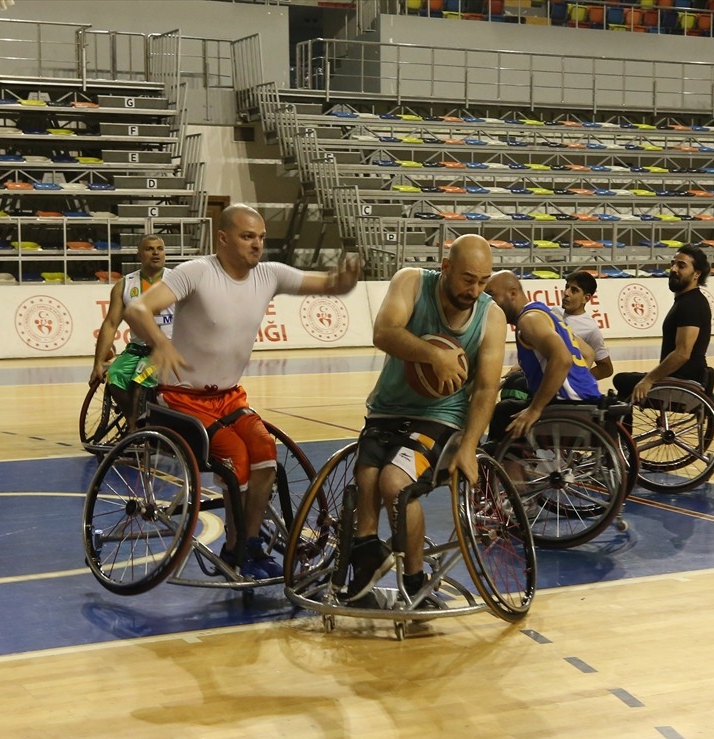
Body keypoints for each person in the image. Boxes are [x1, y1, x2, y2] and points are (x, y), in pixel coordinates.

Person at [122, 203, 361, 580]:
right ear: (223, 239)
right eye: (248, 236)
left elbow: (325, 283)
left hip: (230, 398)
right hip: (182, 400)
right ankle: (235, 545)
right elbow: (137, 309)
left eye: (261, 237)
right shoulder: (197, 272)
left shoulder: (269, 275)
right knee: (235, 456)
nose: (257, 244)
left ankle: (249, 541)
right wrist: (159, 343)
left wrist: (342, 283)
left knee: (266, 453)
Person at [342, 233, 507, 604]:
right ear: (446, 267)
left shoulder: (491, 316)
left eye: (483, 281)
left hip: (441, 418)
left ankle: (415, 581)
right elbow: (383, 333)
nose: (475, 289)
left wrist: (468, 446)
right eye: (468, 279)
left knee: (394, 483)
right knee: (365, 478)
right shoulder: (412, 282)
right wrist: (433, 355)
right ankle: (369, 554)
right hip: (387, 408)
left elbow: (485, 389)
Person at [484, 270, 603, 446]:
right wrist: (577, 380)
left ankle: (507, 470)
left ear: (513, 294)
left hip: (567, 408)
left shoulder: (529, 320)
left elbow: (562, 358)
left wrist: (535, 409)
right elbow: (587, 353)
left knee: (503, 412)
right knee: (514, 394)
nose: (489, 303)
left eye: (491, 295)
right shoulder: (543, 312)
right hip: (588, 402)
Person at [611, 244, 713, 404]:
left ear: (696, 274)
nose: (673, 269)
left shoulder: (691, 304)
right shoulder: (687, 300)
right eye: (672, 264)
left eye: (681, 266)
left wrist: (649, 380)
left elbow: (682, 353)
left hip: (683, 384)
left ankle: (621, 428)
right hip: (678, 380)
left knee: (621, 381)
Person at [89, 235, 170, 420]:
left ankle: (138, 429)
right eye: (150, 249)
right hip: (137, 349)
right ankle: (135, 421)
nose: (156, 253)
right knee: (115, 377)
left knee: (141, 377)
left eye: (160, 248)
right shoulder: (124, 285)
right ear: (139, 255)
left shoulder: (177, 280)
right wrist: (98, 364)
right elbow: (110, 324)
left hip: (167, 349)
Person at [557, 270, 614, 382]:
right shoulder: (554, 312)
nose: (567, 293)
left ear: (586, 298)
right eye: (567, 287)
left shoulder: (590, 329)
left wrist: (578, 381)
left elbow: (606, 368)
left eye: (574, 290)